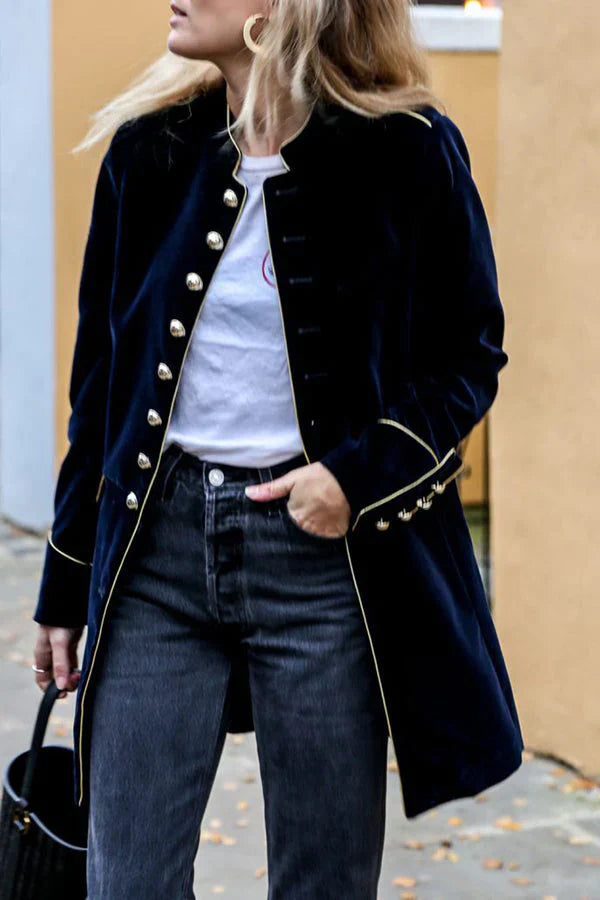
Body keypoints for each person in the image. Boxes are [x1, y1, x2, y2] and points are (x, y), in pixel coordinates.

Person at [31, 1, 524, 897]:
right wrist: (64, 583)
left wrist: (354, 478)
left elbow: (468, 354)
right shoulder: (147, 153)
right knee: (125, 881)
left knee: (322, 882)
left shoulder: (408, 152)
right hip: (155, 556)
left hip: (322, 567)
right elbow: (100, 391)